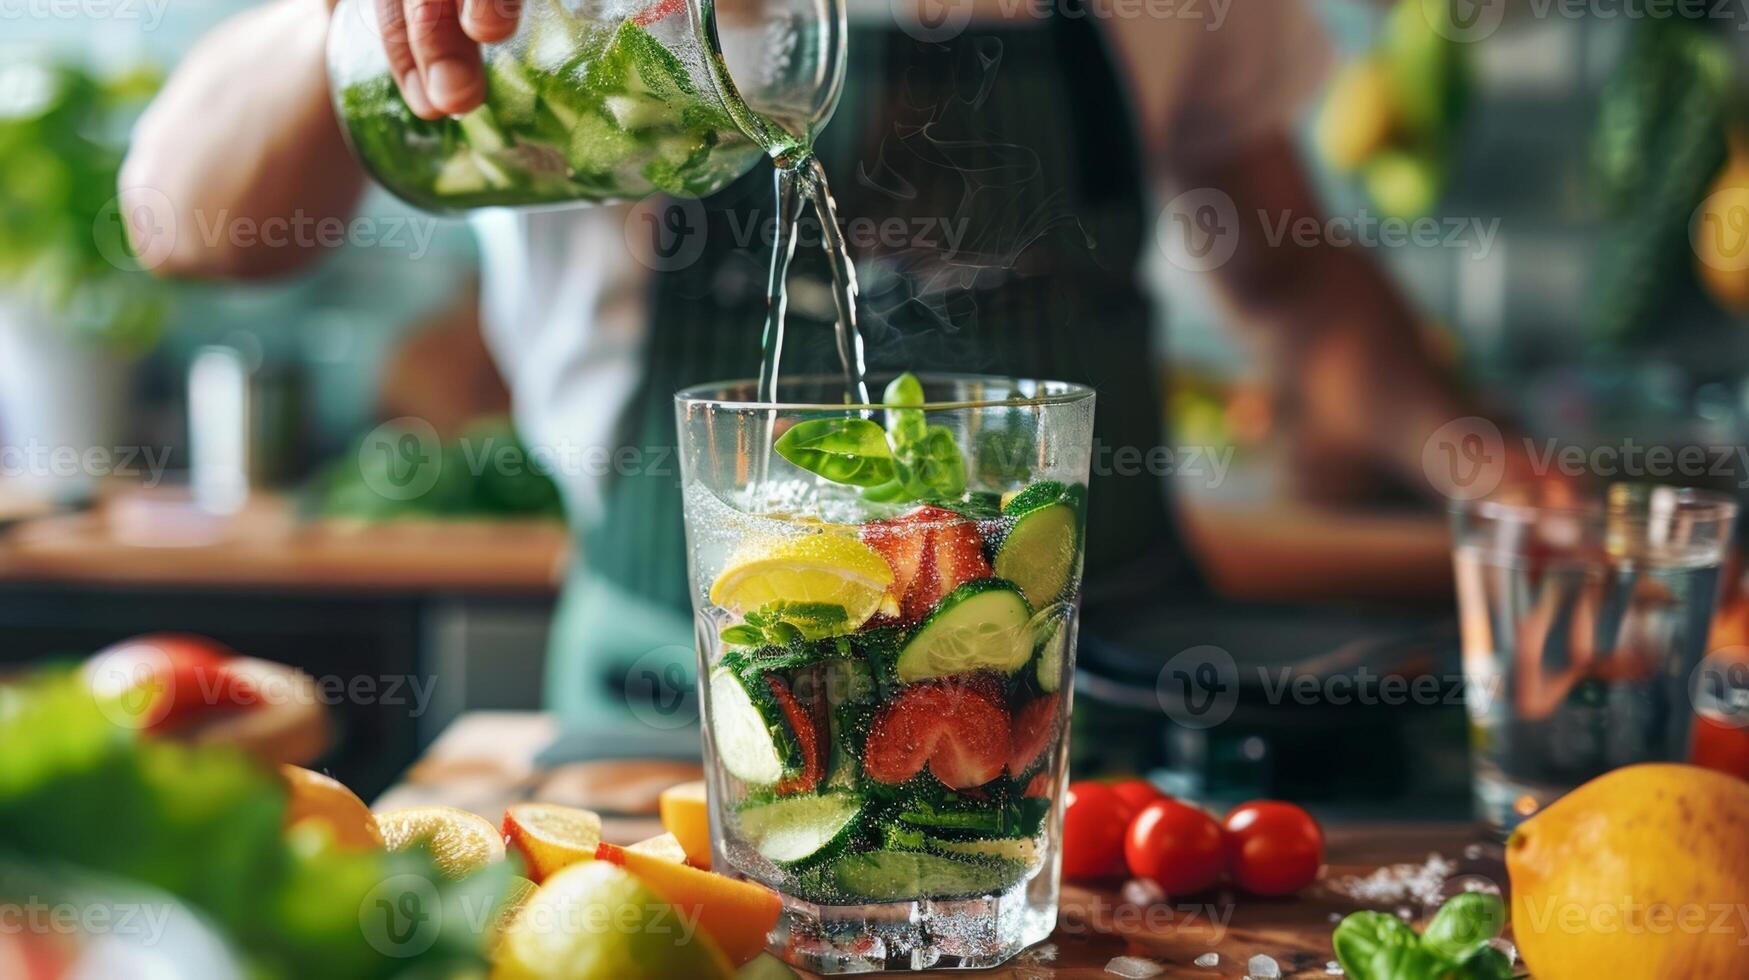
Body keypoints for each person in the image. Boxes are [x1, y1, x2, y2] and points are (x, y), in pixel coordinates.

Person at [124, 0, 1485, 726]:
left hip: (1105, 715)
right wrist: (340, 20)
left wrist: (1488, 474)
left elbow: (1296, 280)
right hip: (675, 716)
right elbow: (183, 222)